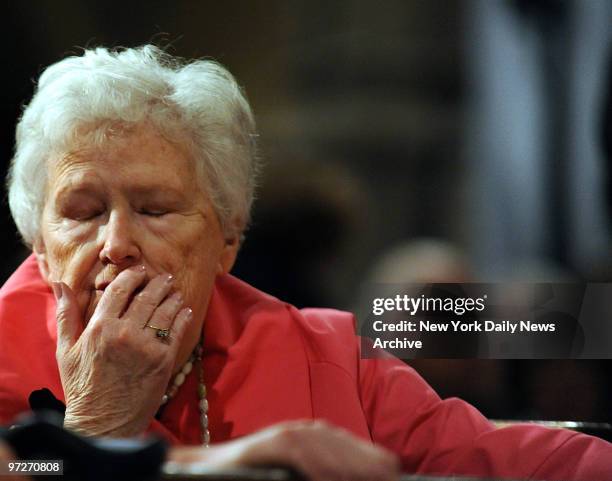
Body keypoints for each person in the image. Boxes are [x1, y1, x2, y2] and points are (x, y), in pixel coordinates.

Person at [0, 45, 610, 481]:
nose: (115, 243)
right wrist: (97, 425)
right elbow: (29, 466)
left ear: (228, 242)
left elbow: (513, 461)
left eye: (155, 209)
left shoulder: (325, 354)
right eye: (81, 211)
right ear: (39, 242)